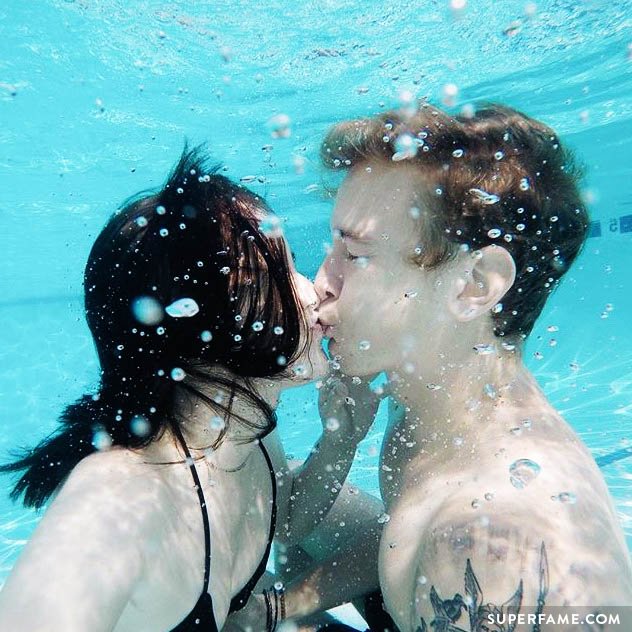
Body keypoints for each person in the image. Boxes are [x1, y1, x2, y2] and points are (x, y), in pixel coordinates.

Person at [277, 102, 632, 631]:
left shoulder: (491, 545)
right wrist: (288, 605)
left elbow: (441, 543)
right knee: (281, 534)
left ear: (474, 285)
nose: (320, 281)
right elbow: (404, 530)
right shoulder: (431, 402)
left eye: (355, 255)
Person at [0, 146, 376, 632]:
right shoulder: (123, 498)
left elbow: (278, 525)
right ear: (210, 320)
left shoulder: (246, 432)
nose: (314, 289)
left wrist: (340, 443)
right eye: (278, 274)